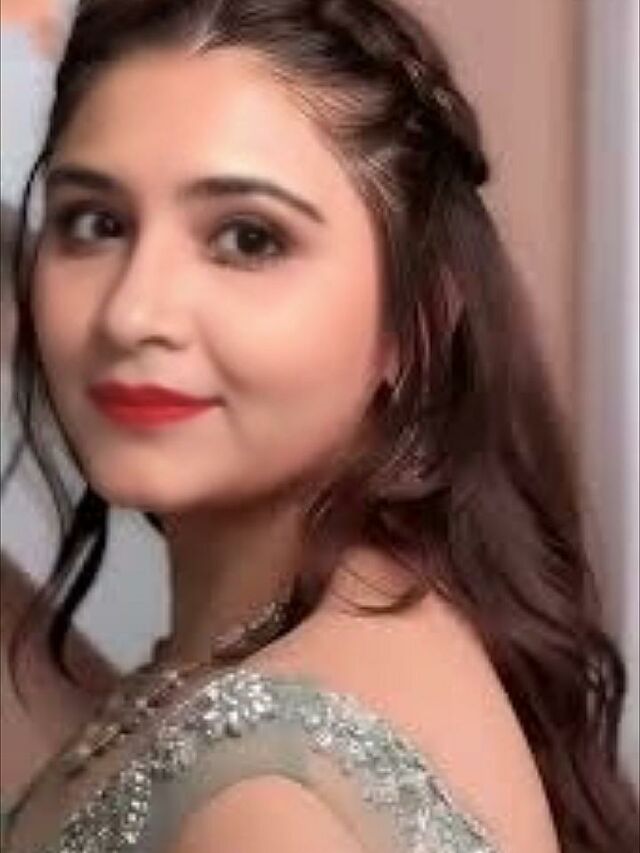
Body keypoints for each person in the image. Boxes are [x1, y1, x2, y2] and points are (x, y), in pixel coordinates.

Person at [1, 0, 638, 851]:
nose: (133, 311)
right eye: (97, 223)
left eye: (247, 238)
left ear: (413, 322)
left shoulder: (271, 799)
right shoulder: (354, 622)